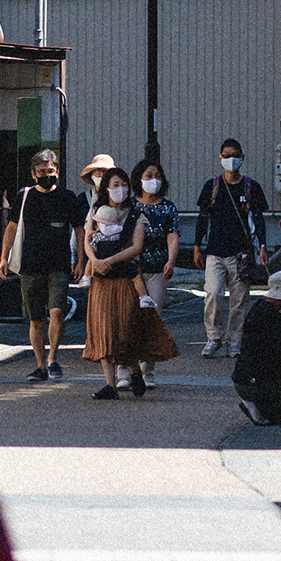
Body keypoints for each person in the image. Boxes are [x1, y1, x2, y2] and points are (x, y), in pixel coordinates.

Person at [82, 166, 179, 398]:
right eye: (115, 185)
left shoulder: (136, 213)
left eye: (124, 185)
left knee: (125, 329)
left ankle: (135, 370)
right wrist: (95, 261)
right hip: (102, 280)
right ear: (106, 188)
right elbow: (88, 239)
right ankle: (110, 384)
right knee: (103, 329)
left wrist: (109, 260)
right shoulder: (96, 211)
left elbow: (136, 247)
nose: (121, 189)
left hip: (125, 278)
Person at [0, 149, 86, 382]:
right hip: (30, 265)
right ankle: (39, 365)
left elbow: (79, 230)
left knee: (57, 311)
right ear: (33, 174)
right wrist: (3, 257)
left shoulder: (67, 198)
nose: (48, 175)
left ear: (57, 172)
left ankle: (53, 358)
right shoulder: (25, 197)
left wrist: (80, 261)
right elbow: (12, 227)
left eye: (52, 171)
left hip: (59, 264)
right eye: (43, 172)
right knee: (35, 318)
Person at [194, 138, 269, 359]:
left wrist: (262, 246)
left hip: (242, 252)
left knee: (239, 300)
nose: (231, 159)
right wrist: (197, 246)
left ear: (243, 158)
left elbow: (258, 217)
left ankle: (234, 342)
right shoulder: (212, 186)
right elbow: (202, 217)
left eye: (235, 155)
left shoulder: (251, 187)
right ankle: (213, 337)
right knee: (213, 293)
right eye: (226, 155)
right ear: (219, 158)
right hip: (215, 251)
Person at [132, 159, 181, 388]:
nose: (154, 180)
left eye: (158, 176)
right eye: (149, 175)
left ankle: (148, 369)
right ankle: (126, 368)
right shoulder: (131, 206)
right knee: (129, 318)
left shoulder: (168, 207)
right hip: (132, 271)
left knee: (154, 317)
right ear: (139, 179)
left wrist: (171, 260)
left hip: (157, 269)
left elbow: (172, 234)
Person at [234, 269, 281, 425]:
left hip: (244, 378)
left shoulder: (258, 307)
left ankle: (258, 407)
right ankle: (267, 409)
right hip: (260, 382)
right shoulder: (273, 317)